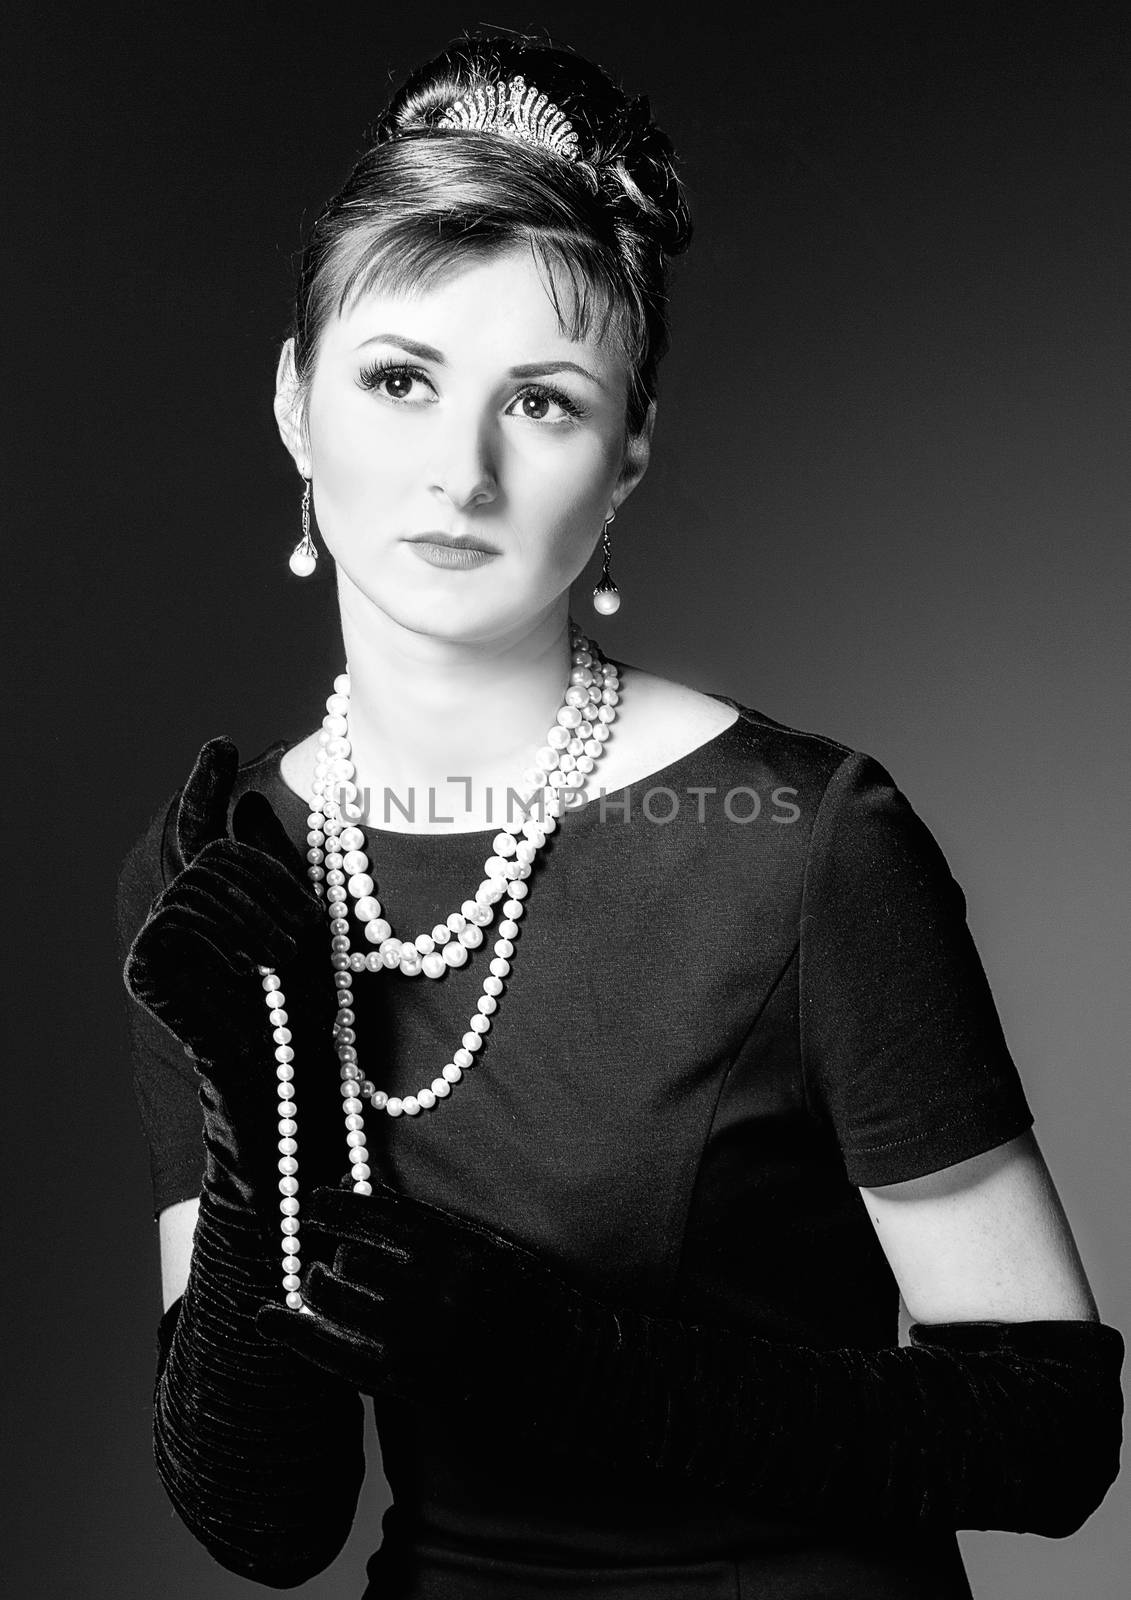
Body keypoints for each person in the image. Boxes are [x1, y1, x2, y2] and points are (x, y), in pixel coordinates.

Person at [114, 30, 1124, 1600]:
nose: (460, 470)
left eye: (544, 402)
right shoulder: (217, 878)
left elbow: (1051, 1436)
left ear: (628, 456)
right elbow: (268, 1524)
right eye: (399, 379)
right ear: (297, 407)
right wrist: (264, 1105)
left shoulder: (801, 846)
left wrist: (570, 1362)